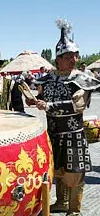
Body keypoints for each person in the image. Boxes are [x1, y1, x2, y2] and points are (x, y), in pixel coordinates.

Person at [27, 19, 100, 216]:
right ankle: (60, 202)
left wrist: (48, 105)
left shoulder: (81, 79)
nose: (74, 60)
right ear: (58, 58)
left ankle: (74, 209)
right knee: (57, 170)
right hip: (53, 132)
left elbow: (77, 105)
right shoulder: (48, 79)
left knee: (74, 172)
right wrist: (34, 100)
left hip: (73, 135)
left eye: (76, 55)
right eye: (69, 56)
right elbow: (43, 98)